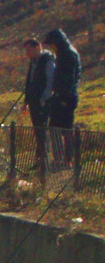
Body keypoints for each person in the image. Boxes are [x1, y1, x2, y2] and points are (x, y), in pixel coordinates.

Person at [43, 28, 81, 167]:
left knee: (66, 130)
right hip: (59, 96)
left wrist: (63, 97)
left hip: (66, 97)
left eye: (51, 44)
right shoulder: (63, 54)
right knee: (54, 128)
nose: (51, 47)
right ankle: (59, 159)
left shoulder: (69, 55)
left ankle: (67, 160)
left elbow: (70, 79)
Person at [22, 37, 56, 168]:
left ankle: (44, 160)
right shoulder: (33, 62)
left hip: (43, 102)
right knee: (37, 130)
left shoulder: (47, 61)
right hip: (33, 102)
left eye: (29, 50)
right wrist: (26, 101)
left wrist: (44, 98)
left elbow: (50, 81)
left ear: (37, 47)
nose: (27, 53)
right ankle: (40, 159)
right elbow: (29, 82)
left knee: (42, 130)